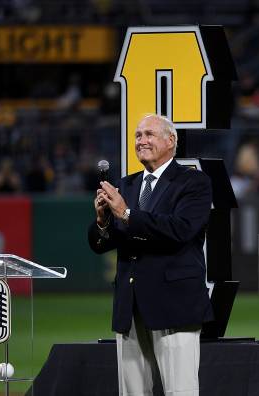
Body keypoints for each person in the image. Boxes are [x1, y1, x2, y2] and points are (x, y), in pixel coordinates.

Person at [87, 114, 213, 396]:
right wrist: (103, 222)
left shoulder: (193, 182)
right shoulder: (126, 185)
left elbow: (180, 230)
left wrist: (126, 214)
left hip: (175, 305)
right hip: (129, 308)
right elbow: (101, 243)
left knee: (180, 391)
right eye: (137, 135)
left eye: (149, 134)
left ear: (171, 141)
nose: (141, 140)